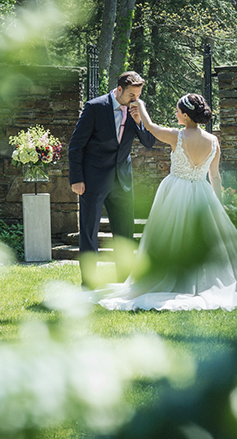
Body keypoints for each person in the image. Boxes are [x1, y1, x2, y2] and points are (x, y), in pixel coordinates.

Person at [97, 93, 237, 311]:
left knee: (168, 238)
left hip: (175, 191)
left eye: (178, 111)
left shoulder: (175, 136)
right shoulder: (213, 141)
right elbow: (215, 176)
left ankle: (170, 278)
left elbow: (149, 126)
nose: (175, 113)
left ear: (186, 116)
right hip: (203, 195)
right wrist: (220, 204)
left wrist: (140, 104)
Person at [68, 71, 156, 288]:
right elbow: (76, 145)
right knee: (89, 232)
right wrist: (76, 178)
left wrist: (139, 120)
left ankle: (125, 282)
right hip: (92, 180)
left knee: (125, 234)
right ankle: (88, 283)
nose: (135, 99)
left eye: (138, 95)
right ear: (119, 90)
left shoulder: (137, 110)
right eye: (131, 95)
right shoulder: (95, 107)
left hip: (122, 181)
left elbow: (149, 142)